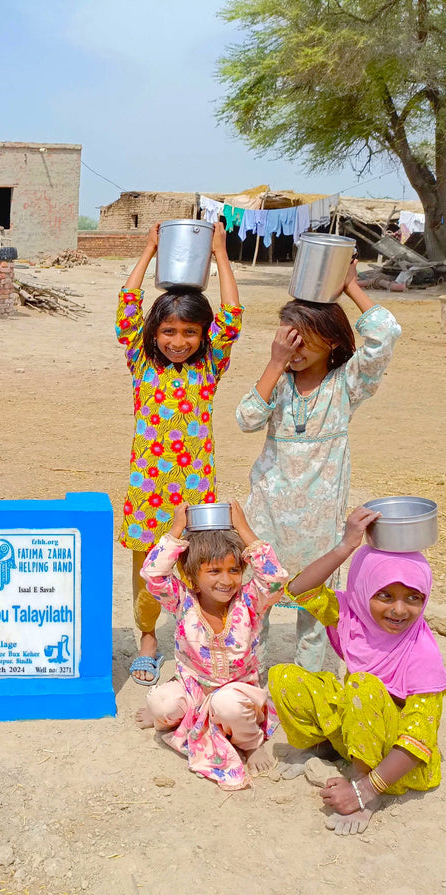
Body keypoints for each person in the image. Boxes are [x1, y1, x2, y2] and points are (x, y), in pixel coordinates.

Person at [236, 262, 400, 671]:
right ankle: (248, 693)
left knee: (314, 618)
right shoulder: (278, 383)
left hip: (320, 525)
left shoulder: (346, 385)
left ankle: (309, 701)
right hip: (268, 518)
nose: (295, 351)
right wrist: (274, 365)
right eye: (287, 342)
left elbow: (385, 337)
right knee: (257, 607)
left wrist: (349, 286)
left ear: (330, 342)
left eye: (304, 343)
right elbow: (246, 419)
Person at [116, 221, 242, 685]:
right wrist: (149, 250)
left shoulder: (209, 366)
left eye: (190, 331)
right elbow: (126, 310)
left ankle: (198, 641)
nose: (178, 341)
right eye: (168, 330)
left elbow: (231, 316)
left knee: (197, 566)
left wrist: (219, 255)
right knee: (148, 565)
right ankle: (148, 638)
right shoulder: (142, 362)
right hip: (147, 489)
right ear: (155, 332)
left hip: (194, 492)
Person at [269, 505, 446, 836]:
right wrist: (346, 545)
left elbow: (417, 738)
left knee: (362, 687)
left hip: (398, 760)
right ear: (364, 590)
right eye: (385, 594)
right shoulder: (354, 616)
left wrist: (364, 792)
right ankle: (325, 748)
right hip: (359, 724)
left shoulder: (422, 653)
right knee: (285, 677)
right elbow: (300, 590)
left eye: (413, 597)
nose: (399, 609)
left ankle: (364, 782)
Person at [134, 500, 288, 790]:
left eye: (233, 570)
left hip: (238, 693)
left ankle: (252, 743)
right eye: (214, 572)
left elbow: (275, 580)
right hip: (194, 687)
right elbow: (152, 575)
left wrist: (243, 529)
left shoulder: (250, 602)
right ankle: (180, 718)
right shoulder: (182, 601)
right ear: (192, 576)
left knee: (227, 705)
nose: (226, 580)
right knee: (160, 703)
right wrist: (177, 529)